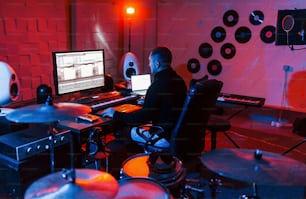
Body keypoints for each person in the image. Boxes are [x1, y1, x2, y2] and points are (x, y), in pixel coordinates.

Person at [101, 46, 187, 149]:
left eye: (150, 61)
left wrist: (115, 113)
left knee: (126, 130)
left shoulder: (157, 86)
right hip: (177, 135)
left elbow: (141, 118)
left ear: (157, 64)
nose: (148, 64)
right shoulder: (180, 81)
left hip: (163, 138)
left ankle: (130, 161)